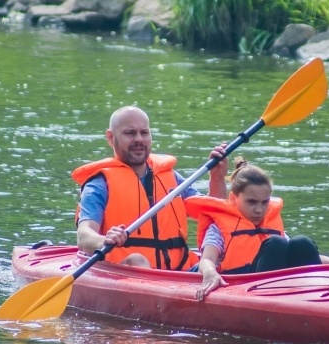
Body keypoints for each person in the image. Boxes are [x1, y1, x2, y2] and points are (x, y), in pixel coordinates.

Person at [72, 105, 229, 270]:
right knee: (138, 261)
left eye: (144, 133)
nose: (139, 139)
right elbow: (84, 236)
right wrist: (104, 240)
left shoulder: (171, 178)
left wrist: (217, 177)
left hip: (181, 274)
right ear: (111, 138)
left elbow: (215, 214)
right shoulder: (99, 184)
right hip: (124, 270)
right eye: (130, 133)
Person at [186, 157, 329, 301]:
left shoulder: (270, 225)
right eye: (251, 202)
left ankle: (317, 294)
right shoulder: (218, 229)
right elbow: (207, 259)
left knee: (301, 242)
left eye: (264, 202)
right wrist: (210, 273)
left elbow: (306, 254)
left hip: (282, 287)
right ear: (233, 198)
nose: (259, 209)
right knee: (275, 243)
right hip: (245, 286)